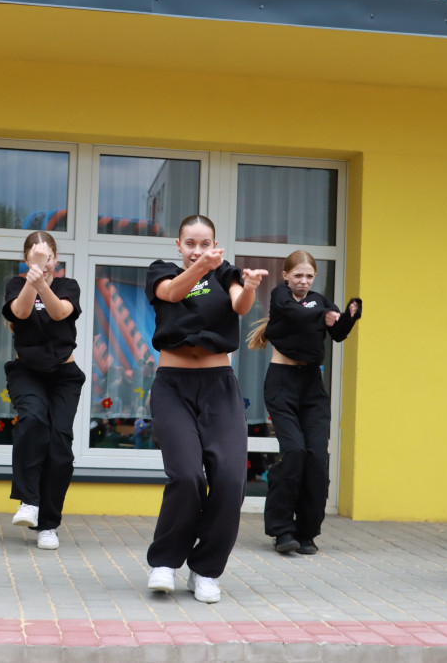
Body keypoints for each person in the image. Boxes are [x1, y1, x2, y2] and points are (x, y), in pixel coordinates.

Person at [144, 214, 267, 604]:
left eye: (205, 243)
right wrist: (201, 266)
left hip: (218, 388)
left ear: (215, 243)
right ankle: (164, 562)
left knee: (230, 480)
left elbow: (240, 305)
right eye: (190, 243)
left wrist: (247, 286)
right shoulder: (161, 272)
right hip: (173, 387)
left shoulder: (225, 273)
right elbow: (173, 294)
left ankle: (205, 568)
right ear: (178, 246)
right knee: (186, 475)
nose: (198, 249)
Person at [245, 250, 361, 556]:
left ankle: (307, 531)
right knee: (294, 451)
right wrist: (324, 315)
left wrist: (348, 316)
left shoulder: (320, 301)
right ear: (286, 276)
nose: (303, 281)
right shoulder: (280, 297)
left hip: (311, 386)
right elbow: (295, 314)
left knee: (316, 458)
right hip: (282, 383)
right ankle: (282, 529)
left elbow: (337, 334)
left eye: (309, 276)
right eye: (298, 275)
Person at [2, 231, 85, 550]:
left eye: (48, 256)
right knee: (33, 419)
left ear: (56, 259)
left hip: (64, 375)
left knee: (59, 445)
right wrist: (30, 281)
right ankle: (29, 502)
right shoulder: (14, 285)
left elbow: (60, 313)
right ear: (26, 260)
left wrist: (41, 283)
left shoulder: (68, 286)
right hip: (27, 372)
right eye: (37, 257)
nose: (44, 262)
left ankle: (48, 524)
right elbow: (20, 314)